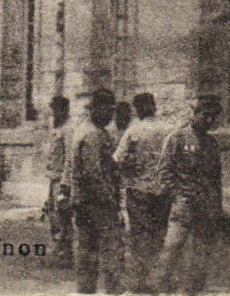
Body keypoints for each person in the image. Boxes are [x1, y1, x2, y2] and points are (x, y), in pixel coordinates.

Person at [149, 94, 222, 295]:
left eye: (212, 117)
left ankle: (190, 292)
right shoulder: (177, 138)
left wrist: (217, 207)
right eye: (205, 115)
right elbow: (164, 173)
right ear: (194, 113)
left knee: (201, 254)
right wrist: (177, 197)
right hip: (184, 205)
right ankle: (157, 289)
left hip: (205, 207)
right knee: (171, 249)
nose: (208, 120)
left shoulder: (212, 144)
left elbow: (216, 179)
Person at [61, 89, 122, 295]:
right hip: (97, 203)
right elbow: (94, 174)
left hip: (84, 201)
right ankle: (112, 291)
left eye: (113, 111)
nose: (111, 116)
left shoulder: (86, 130)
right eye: (107, 110)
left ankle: (86, 291)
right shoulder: (92, 134)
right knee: (110, 250)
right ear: (95, 109)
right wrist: (110, 200)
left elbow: (70, 166)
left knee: (87, 250)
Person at [114, 91, 173, 292]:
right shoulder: (168, 129)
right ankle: (158, 280)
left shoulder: (134, 130)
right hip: (163, 190)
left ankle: (142, 280)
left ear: (137, 109)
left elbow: (117, 160)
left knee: (140, 236)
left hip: (138, 190)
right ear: (154, 107)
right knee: (159, 234)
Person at [41, 94, 73, 268]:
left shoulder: (68, 129)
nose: (54, 114)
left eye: (57, 110)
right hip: (53, 178)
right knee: (53, 213)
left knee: (63, 215)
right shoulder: (58, 128)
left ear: (64, 110)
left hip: (61, 179)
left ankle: (65, 252)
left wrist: (65, 184)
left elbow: (69, 157)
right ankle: (60, 248)